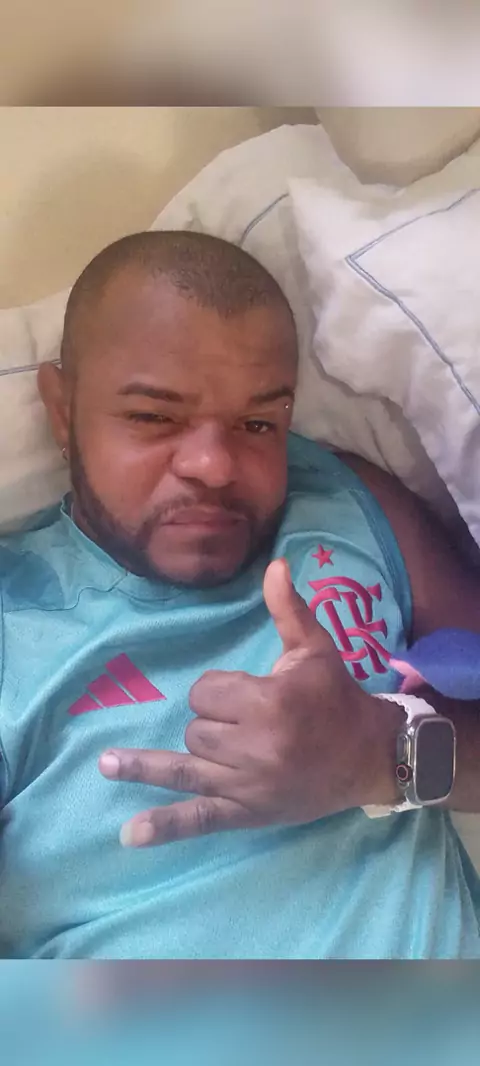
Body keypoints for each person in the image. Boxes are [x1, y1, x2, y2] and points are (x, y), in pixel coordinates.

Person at [0, 230, 479, 960]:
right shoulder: (17, 621)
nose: (214, 466)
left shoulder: (346, 505)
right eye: (154, 417)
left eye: (258, 423)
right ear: (61, 410)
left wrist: (379, 752)